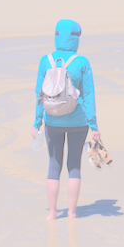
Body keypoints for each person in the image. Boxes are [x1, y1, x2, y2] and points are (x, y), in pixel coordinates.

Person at [32, 19, 100, 220]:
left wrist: (37, 123)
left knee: (54, 166)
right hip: (78, 122)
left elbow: (39, 94)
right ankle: (71, 212)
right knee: (74, 166)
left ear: (57, 36)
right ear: (75, 38)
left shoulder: (45, 61)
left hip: (52, 121)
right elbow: (89, 96)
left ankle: (53, 212)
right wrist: (94, 126)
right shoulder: (82, 62)